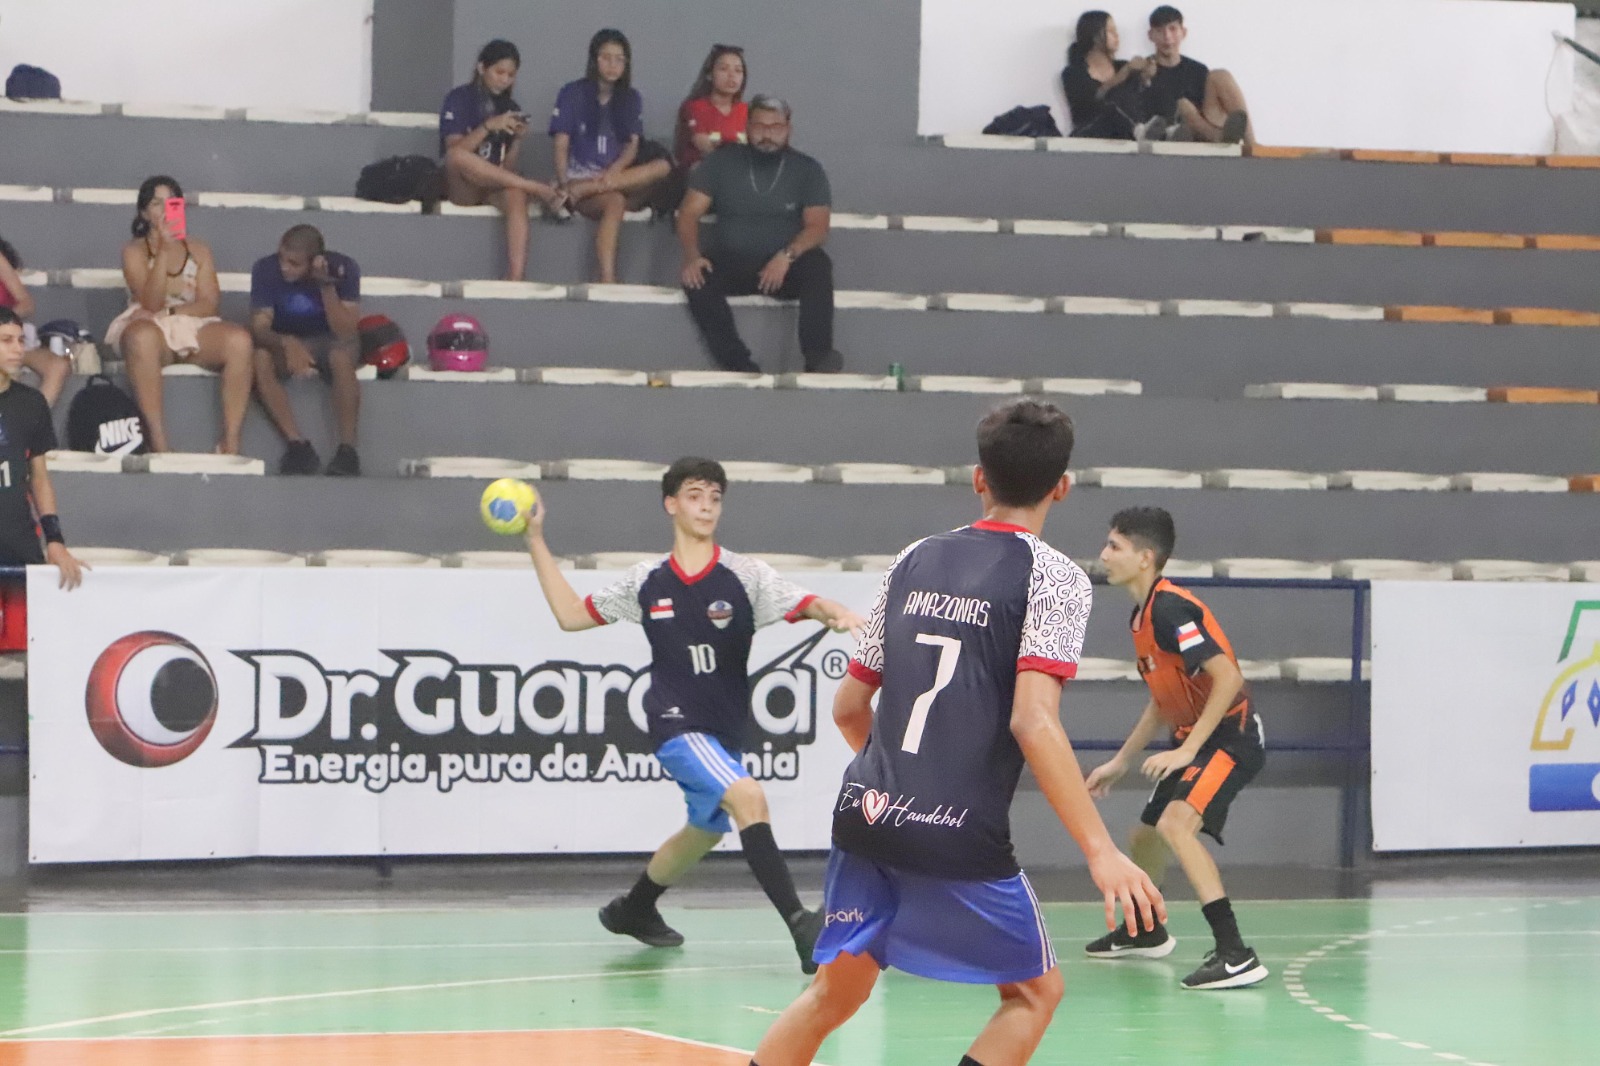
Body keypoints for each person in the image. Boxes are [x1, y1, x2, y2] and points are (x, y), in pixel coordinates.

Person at [752, 400, 1164, 1066]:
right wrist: (1100, 851)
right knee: (1034, 995)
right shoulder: (1055, 577)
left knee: (834, 995)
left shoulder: (916, 557)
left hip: (865, 808)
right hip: (956, 828)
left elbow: (849, 706)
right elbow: (1033, 718)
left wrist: (899, 785)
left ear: (979, 478)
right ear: (1062, 487)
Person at [522, 457, 866, 974]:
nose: (706, 505)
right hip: (675, 724)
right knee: (749, 797)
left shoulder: (746, 576)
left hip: (725, 729)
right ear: (671, 505)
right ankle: (800, 925)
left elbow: (809, 602)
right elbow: (571, 615)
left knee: (704, 831)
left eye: (715, 497)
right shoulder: (646, 580)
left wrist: (837, 613)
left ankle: (633, 908)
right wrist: (535, 540)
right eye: (694, 495)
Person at [1084, 506, 1268, 990]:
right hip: (1198, 739)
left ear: (1146, 558)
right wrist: (1123, 760)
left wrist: (1189, 752)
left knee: (1175, 825)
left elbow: (1227, 678)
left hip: (1231, 738)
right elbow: (1161, 701)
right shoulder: (1141, 617)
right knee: (1144, 837)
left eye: (1114, 546)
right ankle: (1147, 930)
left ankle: (1235, 953)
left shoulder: (1170, 609)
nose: (1104, 555)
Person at [678, 95, 842, 374]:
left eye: (776, 127)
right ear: (747, 127)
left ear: (788, 129)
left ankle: (818, 358)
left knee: (818, 266)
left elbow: (818, 227)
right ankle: (738, 364)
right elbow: (688, 213)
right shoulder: (721, 162)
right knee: (697, 279)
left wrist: (786, 256)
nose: (768, 135)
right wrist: (692, 256)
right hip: (735, 262)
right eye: (760, 126)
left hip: (784, 266)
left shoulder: (807, 170)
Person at [104, 176, 253, 455]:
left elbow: (209, 303)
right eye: (156, 204)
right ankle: (159, 442)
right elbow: (150, 302)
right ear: (143, 213)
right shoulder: (133, 251)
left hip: (191, 325)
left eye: (170, 203)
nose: (163, 210)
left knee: (239, 341)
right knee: (141, 336)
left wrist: (173, 311)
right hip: (151, 327)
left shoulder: (199, 249)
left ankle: (230, 441)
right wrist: (162, 251)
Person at [549, 29, 673, 284]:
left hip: (613, 178)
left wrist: (613, 173)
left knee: (663, 166)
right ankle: (607, 277)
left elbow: (632, 146)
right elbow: (561, 145)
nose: (613, 65)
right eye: (606, 58)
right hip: (579, 179)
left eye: (620, 59)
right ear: (594, 60)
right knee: (614, 201)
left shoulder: (630, 97)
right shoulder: (572, 92)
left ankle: (585, 189)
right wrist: (564, 182)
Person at [440, 39, 568, 282]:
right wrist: (489, 126)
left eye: (510, 75)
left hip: (492, 184)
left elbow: (507, 169)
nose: (504, 80)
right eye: (499, 72)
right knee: (458, 156)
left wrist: (517, 140)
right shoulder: (458, 98)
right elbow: (454, 153)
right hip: (462, 186)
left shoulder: (510, 106)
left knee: (516, 194)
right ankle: (536, 188)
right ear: (481, 68)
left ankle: (516, 275)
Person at [248, 225, 363, 477]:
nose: (284, 267)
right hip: (285, 340)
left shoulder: (345, 268)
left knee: (341, 356)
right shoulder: (264, 269)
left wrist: (326, 287)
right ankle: (297, 444)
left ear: (315, 262)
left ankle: (347, 451)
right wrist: (287, 342)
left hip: (330, 341)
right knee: (259, 357)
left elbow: (346, 330)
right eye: (282, 258)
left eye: (294, 263)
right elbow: (259, 328)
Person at [0, 307, 86, 592]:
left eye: (20, 341)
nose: (17, 350)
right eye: (6, 341)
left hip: (19, 544)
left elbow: (39, 477)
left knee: (20, 636)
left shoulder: (31, 403)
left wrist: (55, 540)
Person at [1140, 6, 1253, 146]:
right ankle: (1222, 139)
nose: (1167, 37)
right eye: (1159, 31)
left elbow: (1210, 109)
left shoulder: (1198, 69)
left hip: (1206, 128)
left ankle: (1251, 144)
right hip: (1172, 134)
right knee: (1183, 107)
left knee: (1220, 76)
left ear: (1184, 32)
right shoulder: (1144, 69)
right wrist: (1143, 79)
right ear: (1150, 35)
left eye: (1172, 29)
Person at [0, 236, 70, 407]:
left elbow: (27, 304)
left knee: (57, 366)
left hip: (7, 339)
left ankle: (32, 424)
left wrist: (4, 318)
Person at [1060, 12, 1152, 140]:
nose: (1117, 36)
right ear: (1095, 36)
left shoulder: (1123, 66)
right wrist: (1122, 75)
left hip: (1127, 139)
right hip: (1091, 136)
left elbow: (1138, 102)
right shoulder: (1074, 73)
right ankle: (1138, 131)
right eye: (1111, 31)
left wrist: (1146, 77)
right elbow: (1091, 103)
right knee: (1111, 111)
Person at [675, 44, 749, 169]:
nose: (732, 75)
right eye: (724, 69)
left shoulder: (747, 110)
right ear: (709, 74)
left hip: (739, 172)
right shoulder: (695, 107)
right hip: (702, 171)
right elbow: (704, 146)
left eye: (738, 70)